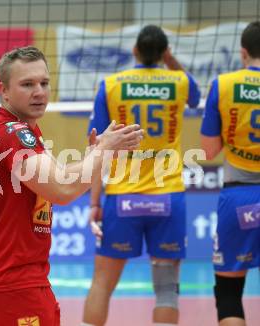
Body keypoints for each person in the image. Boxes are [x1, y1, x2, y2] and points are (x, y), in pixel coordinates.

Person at [0, 46, 144, 326]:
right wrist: (101, 152)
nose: (39, 91)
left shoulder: (24, 129)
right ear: (4, 91)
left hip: (19, 279)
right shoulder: (12, 133)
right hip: (11, 282)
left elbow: (61, 176)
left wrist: (102, 154)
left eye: (44, 83)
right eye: (27, 84)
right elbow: (61, 191)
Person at [82, 25, 201, 326]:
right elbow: (195, 98)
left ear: (134, 51)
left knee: (101, 285)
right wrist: (170, 62)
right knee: (166, 291)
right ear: (164, 52)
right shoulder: (179, 81)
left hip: (123, 199)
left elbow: (98, 148)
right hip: (168, 198)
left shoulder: (111, 84)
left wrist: (95, 201)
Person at [200, 21, 260, 326]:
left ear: (244, 52)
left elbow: (208, 151)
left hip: (240, 198)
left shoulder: (223, 84)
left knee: (228, 294)